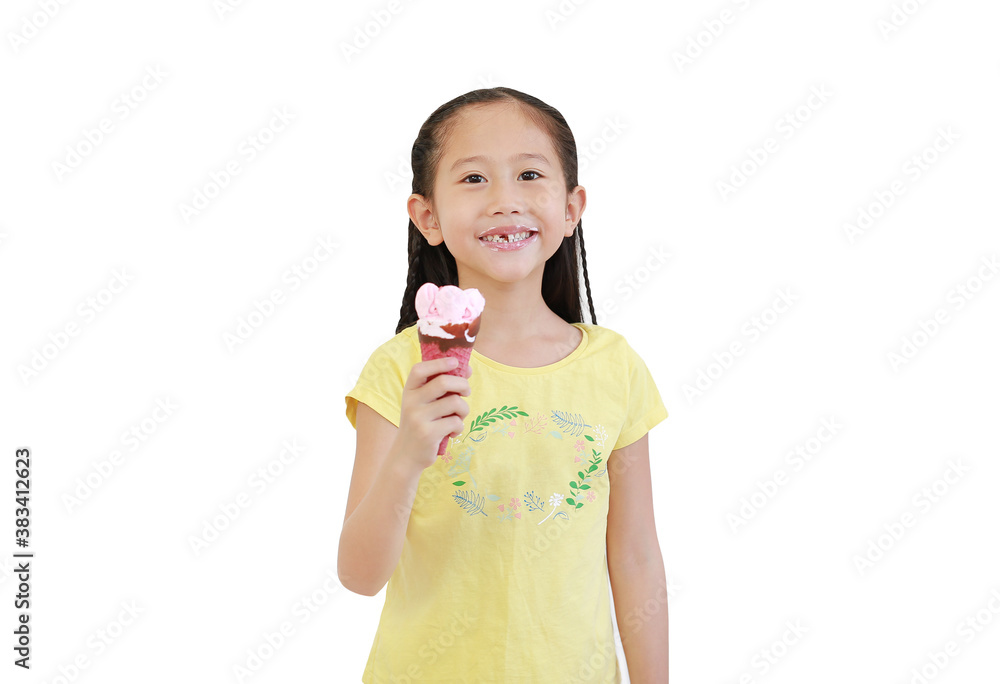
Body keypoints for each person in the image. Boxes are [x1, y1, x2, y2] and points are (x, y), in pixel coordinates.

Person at [339, 86, 670, 683]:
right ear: (428, 217)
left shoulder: (614, 368)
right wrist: (410, 454)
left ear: (572, 209)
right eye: (473, 179)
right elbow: (359, 575)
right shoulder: (400, 369)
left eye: (529, 175)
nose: (504, 201)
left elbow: (637, 556)